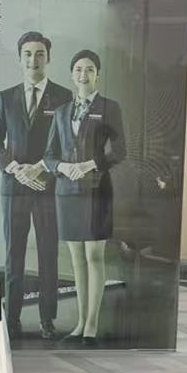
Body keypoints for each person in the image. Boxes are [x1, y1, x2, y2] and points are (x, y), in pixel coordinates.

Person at [0, 31, 72, 341]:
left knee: (49, 253)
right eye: (27, 53)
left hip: (48, 187)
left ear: (48, 58)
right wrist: (14, 168)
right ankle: (11, 319)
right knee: (14, 255)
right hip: (14, 187)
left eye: (39, 54)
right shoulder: (6, 97)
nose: (33, 59)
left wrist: (41, 168)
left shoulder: (63, 96)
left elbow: (68, 142)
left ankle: (47, 319)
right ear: (19, 58)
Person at [43, 49, 126, 347]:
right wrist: (63, 167)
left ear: (97, 75)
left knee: (94, 255)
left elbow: (120, 151)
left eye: (89, 69)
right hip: (66, 192)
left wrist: (90, 164)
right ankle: (79, 323)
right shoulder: (62, 112)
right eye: (78, 69)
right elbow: (49, 155)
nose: (83, 74)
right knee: (76, 259)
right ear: (71, 74)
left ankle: (92, 325)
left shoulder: (109, 107)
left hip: (96, 190)